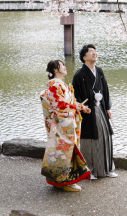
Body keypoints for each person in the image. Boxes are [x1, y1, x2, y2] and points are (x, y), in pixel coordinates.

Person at [40, 60, 91, 192]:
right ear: (56, 70)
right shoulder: (54, 85)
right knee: (64, 152)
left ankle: (60, 179)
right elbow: (59, 106)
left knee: (63, 152)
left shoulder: (60, 84)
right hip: (61, 124)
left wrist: (80, 107)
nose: (65, 67)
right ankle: (65, 181)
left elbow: (68, 103)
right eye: (62, 65)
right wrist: (75, 107)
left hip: (65, 122)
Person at [72, 44, 117, 179]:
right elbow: (75, 95)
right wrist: (81, 107)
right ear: (84, 57)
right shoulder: (79, 75)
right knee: (90, 141)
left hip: (100, 109)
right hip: (88, 112)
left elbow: (105, 90)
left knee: (106, 137)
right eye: (91, 52)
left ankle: (108, 168)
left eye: (95, 51)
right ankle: (90, 170)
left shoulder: (100, 71)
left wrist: (108, 107)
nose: (94, 53)